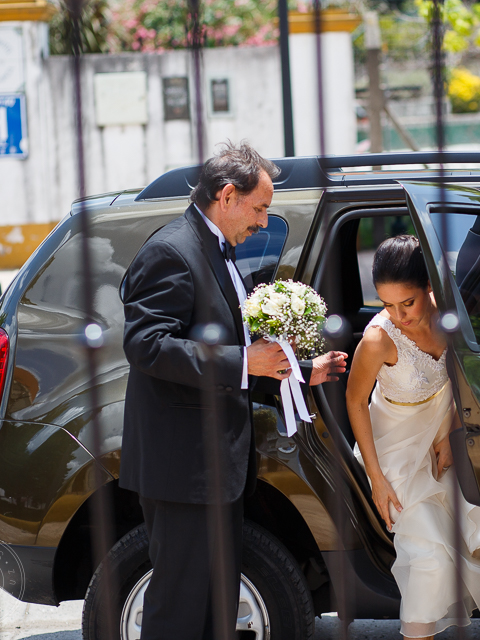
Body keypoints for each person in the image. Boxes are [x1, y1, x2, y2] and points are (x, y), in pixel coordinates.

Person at [120, 141, 347, 640]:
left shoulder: (214, 250)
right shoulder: (170, 251)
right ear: (227, 195)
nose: (264, 222)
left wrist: (297, 369)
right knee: (178, 610)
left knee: (214, 607)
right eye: (260, 208)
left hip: (215, 469)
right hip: (183, 470)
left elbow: (231, 352)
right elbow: (146, 346)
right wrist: (247, 361)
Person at [345, 235, 480, 640]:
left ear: (429, 287)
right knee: (429, 559)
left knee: (476, 538)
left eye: (408, 302)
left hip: (440, 430)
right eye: (387, 304)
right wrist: (377, 478)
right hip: (393, 449)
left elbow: (461, 376)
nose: (398, 315)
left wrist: (451, 427)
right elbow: (354, 403)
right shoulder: (378, 339)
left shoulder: (451, 316)